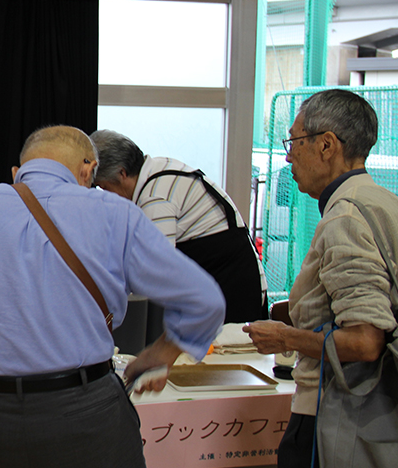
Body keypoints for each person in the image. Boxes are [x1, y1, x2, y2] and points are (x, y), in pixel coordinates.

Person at [0, 125, 225, 468]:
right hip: (83, 413)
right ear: (88, 170)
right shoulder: (115, 213)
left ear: (19, 171)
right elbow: (203, 300)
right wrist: (163, 352)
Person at [244, 89, 398, 468]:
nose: (287, 158)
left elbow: (364, 340)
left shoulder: (345, 218)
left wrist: (282, 337)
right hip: (383, 425)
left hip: (337, 425)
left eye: (293, 143)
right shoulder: (394, 208)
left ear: (326, 145)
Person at [91, 129, 267, 324]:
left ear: (121, 173)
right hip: (227, 279)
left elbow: (155, 272)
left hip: (233, 288)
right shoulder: (158, 168)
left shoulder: (155, 196)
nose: (107, 195)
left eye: (104, 187)